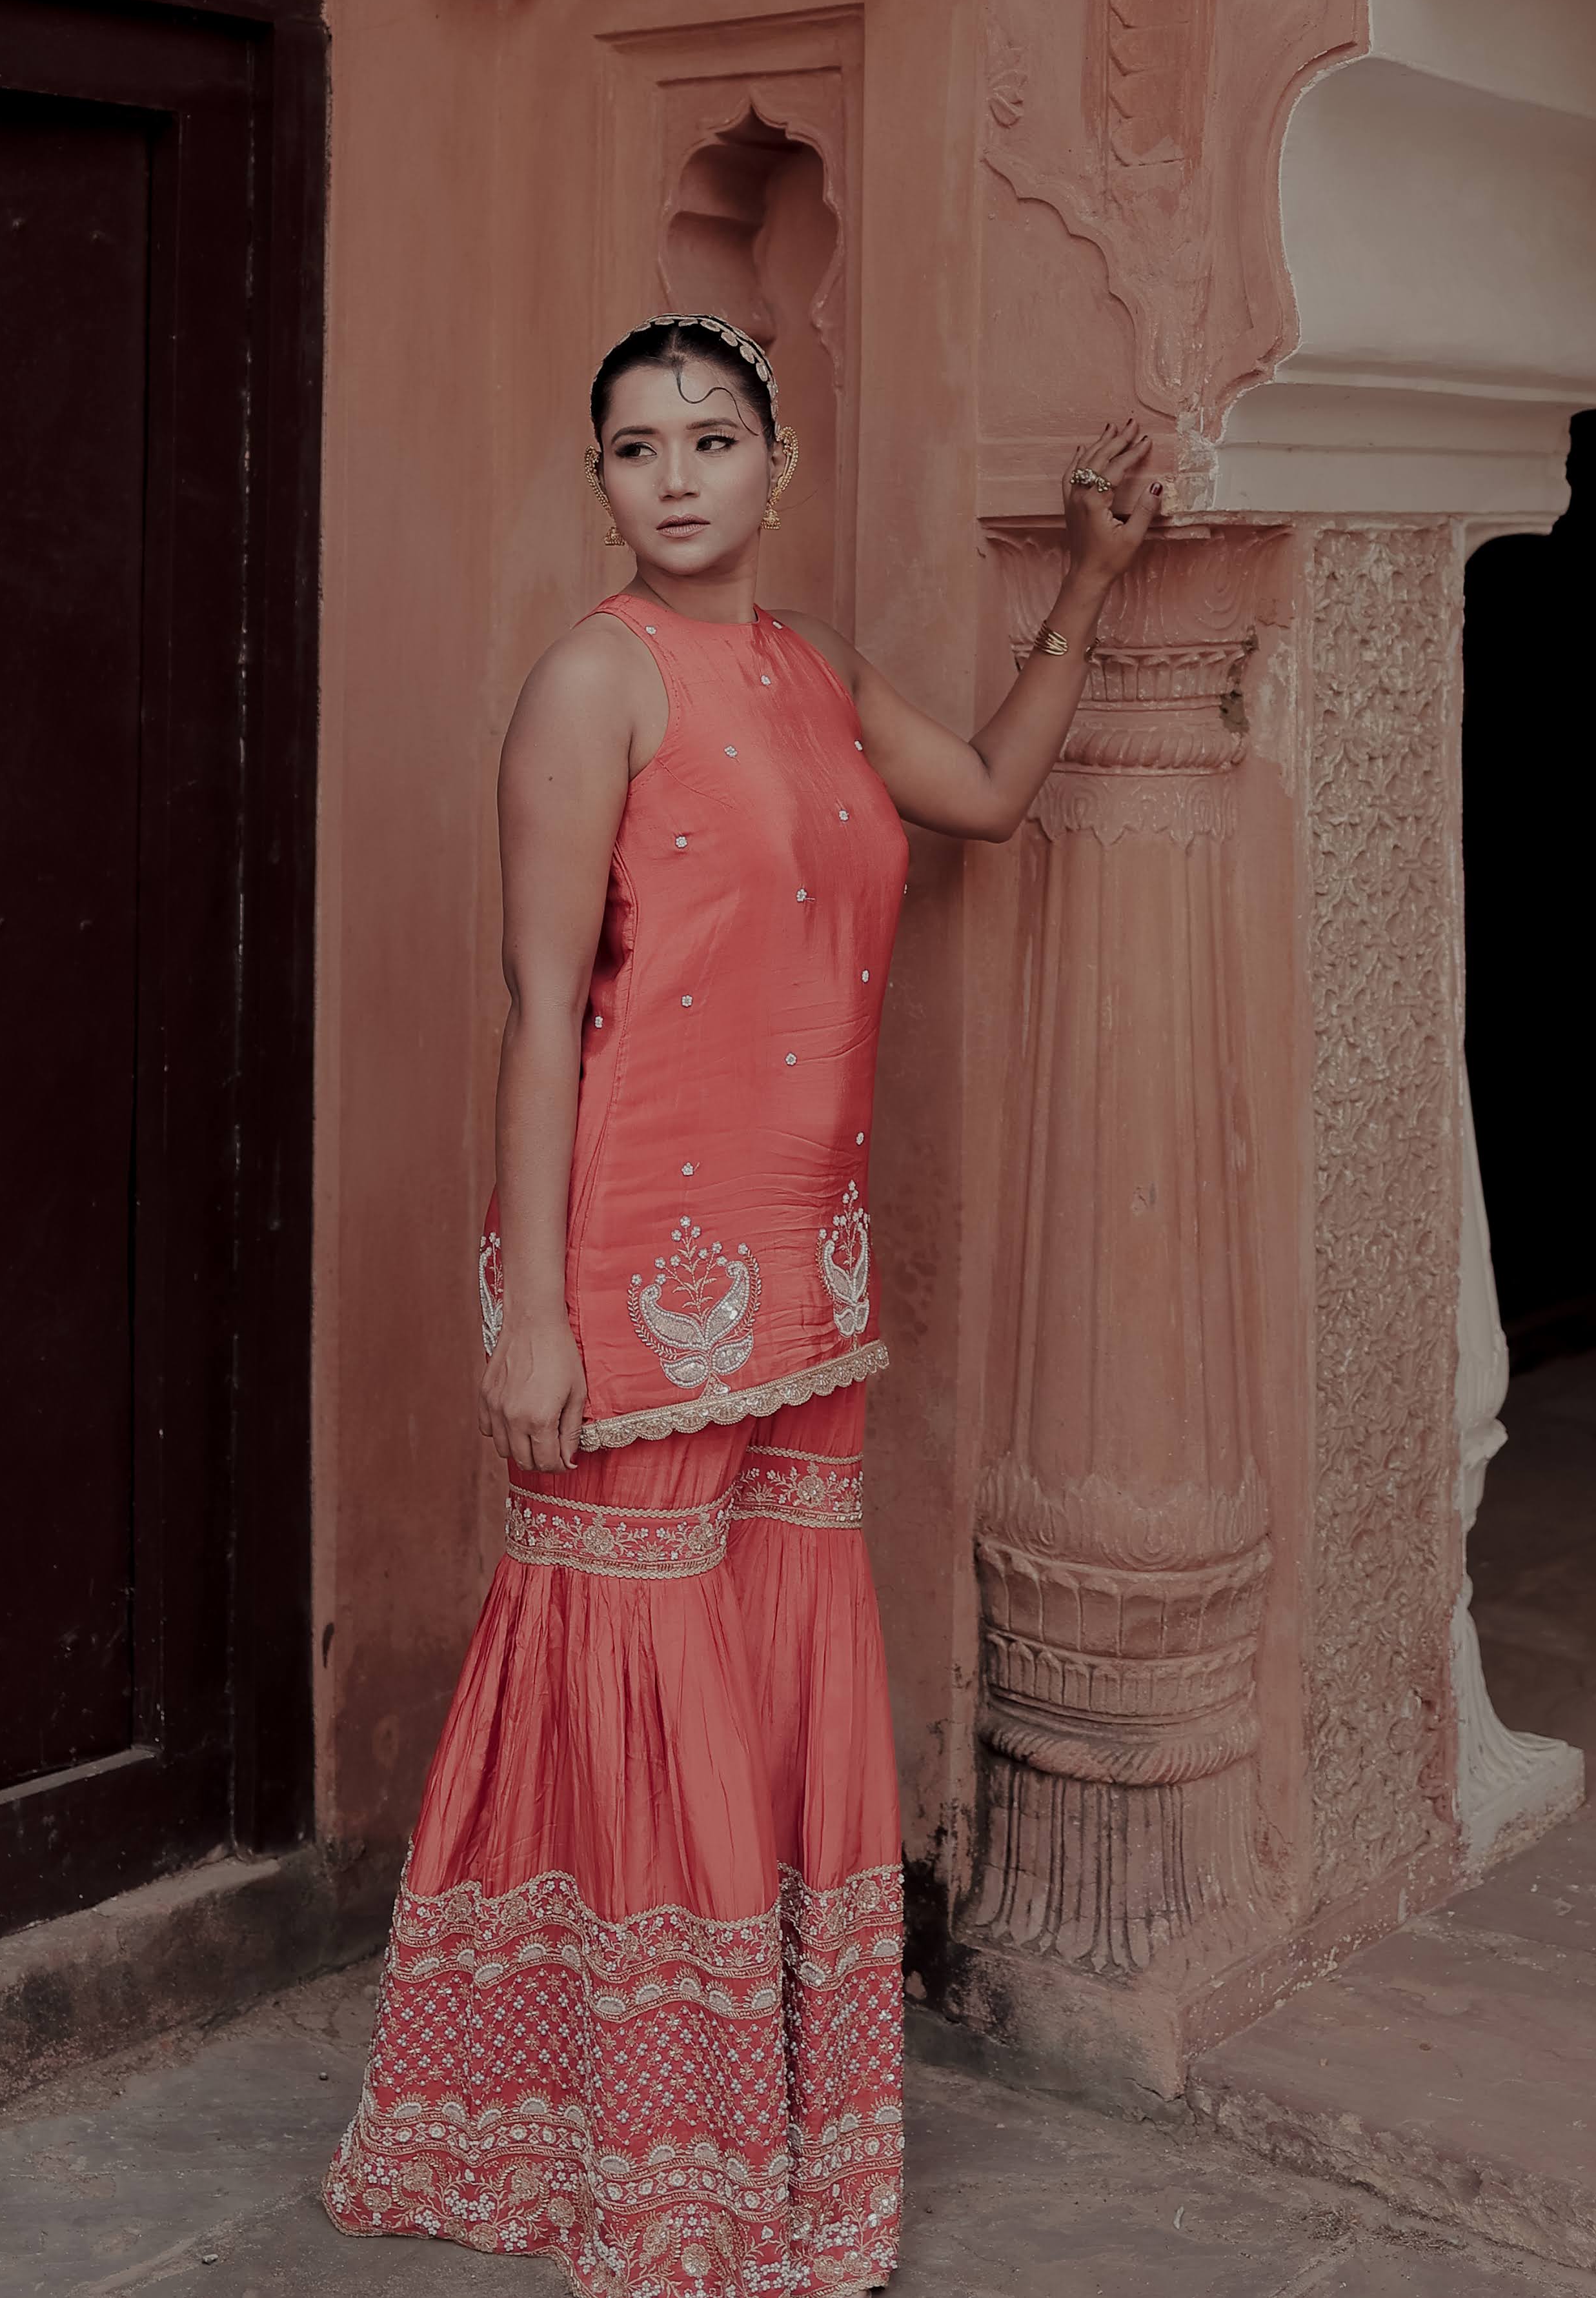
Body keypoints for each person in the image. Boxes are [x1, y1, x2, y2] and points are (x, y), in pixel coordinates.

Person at [325, 316, 1159, 2298]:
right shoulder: (590, 683)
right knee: (634, 1690)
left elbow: (983, 798)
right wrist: (532, 1307)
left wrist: (1093, 588)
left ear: (775, 462)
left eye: (711, 436)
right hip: (634, 1260)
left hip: (806, 1262)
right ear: (599, 481)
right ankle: (651, 2172)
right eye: (634, 446)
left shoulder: (813, 672)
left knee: (769, 1681)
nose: (675, 473)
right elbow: (545, 1008)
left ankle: (749, 2129)